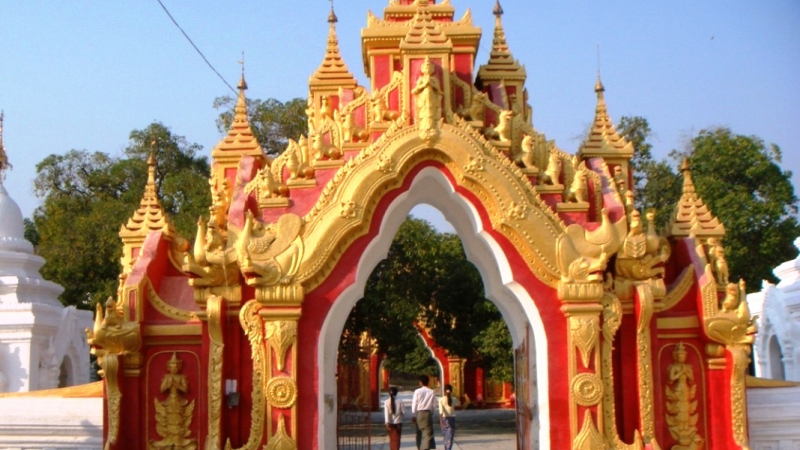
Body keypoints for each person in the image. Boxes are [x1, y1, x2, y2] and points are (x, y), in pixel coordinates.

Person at [411, 374, 436, 449]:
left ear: (420, 382)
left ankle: (420, 447)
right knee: (428, 433)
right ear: (428, 382)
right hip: (427, 413)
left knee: (419, 432)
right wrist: (432, 414)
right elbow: (434, 405)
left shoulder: (417, 391)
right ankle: (425, 448)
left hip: (419, 413)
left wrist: (414, 414)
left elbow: (414, 403)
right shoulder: (432, 392)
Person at [438, 384, 456, 450]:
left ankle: (446, 448)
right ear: (451, 391)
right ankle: (448, 448)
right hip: (452, 419)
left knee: (445, 436)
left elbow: (441, 411)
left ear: (444, 391)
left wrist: (440, 421)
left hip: (444, 419)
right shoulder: (454, 399)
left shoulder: (441, 400)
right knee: (450, 436)